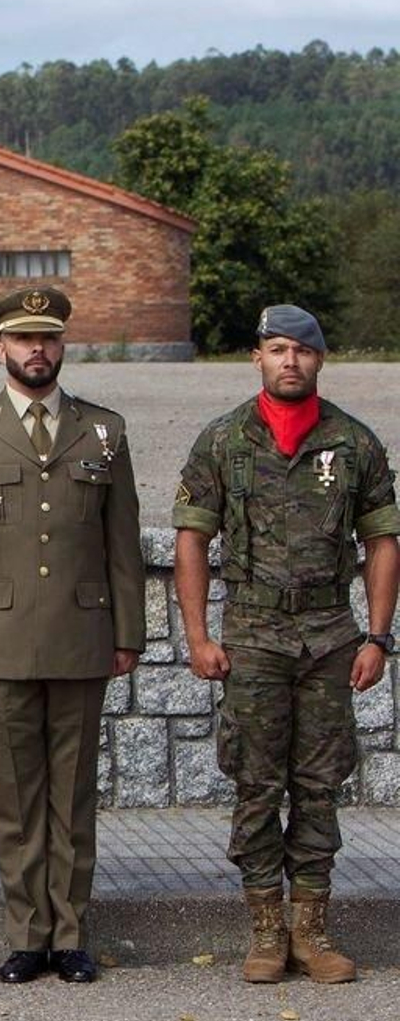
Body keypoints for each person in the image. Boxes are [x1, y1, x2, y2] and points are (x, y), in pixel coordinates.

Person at [173, 304, 399, 985]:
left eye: (302, 350)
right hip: (253, 639)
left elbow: (382, 542)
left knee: (320, 783)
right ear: (258, 358)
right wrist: (198, 634)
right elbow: (193, 538)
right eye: (277, 349)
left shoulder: (354, 444)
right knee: (256, 782)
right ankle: (266, 928)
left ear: (320, 360)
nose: (290, 361)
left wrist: (379, 637)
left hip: (331, 636)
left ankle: (312, 928)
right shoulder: (223, 441)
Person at [0, 286, 144, 985]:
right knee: (17, 798)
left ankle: (72, 934)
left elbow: (122, 544)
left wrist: (128, 633)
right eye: (24, 340)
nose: (37, 351)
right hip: (2, 640)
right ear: (1, 350)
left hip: (82, 635)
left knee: (74, 797)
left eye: (48, 339)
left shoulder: (102, 430)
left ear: (62, 347)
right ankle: (28, 934)